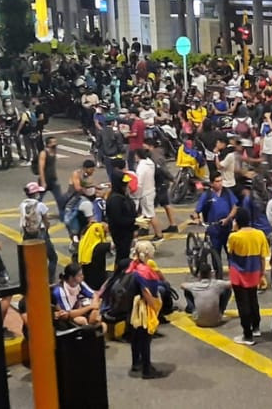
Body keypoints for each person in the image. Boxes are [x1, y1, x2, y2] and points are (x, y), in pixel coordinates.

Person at [227, 208, 269, 346]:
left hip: (238, 274)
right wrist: (262, 274)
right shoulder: (260, 234)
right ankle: (256, 327)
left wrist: (234, 230)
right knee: (253, 299)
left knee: (242, 303)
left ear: (237, 221)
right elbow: (263, 257)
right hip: (254, 271)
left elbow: (230, 251)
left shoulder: (234, 236)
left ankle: (247, 335)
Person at [127, 240, 166, 379]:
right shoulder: (145, 270)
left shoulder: (133, 265)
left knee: (136, 336)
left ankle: (136, 363)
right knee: (145, 338)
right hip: (143, 306)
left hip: (132, 306)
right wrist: (155, 306)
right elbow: (147, 292)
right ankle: (147, 369)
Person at [193, 173, 238, 268]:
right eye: (217, 181)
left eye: (221, 181)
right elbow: (197, 210)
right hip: (214, 230)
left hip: (227, 229)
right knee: (216, 254)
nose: (220, 183)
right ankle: (218, 273)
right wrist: (196, 218)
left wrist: (228, 218)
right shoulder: (207, 195)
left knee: (231, 253)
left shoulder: (227, 192)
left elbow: (234, 207)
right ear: (212, 183)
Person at [19, 182, 58, 284]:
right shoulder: (40, 205)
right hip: (40, 233)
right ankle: (49, 280)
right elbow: (46, 221)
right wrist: (47, 230)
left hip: (26, 234)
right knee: (53, 257)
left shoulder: (22, 205)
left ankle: (31, 279)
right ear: (36, 193)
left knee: (31, 258)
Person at [51, 263, 102, 328]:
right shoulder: (59, 291)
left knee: (98, 306)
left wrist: (94, 305)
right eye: (79, 275)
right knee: (82, 320)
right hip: (66, 318)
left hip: (77, 308)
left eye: (82, 274)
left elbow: (94, 294)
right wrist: (91, 307)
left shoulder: (79, 283)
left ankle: (95, 328)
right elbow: (69, 314)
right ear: (71, 277)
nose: (82, 276)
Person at [181, 263, 232, 328]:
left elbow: (182, 285)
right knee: (227, 290)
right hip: (216, 320)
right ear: (210, 273)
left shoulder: (194, 286)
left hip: (199, 321)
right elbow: (230, 284)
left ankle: (191, 309)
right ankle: (219, 311)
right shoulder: (217, 284)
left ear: (199, 274)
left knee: (187, 291)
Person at [106, 173, 138, 262]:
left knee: (125, 254)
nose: (126, 185)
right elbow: (118, 220)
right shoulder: (115, 200)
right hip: (120, 234)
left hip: (127, 232)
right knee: (122, 256)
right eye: (124, 184)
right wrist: (134, 221)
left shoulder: (123, 195)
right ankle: (119, 274)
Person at [135, 148, 163, 242]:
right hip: (151, 190)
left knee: (150, 214)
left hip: (145, 192)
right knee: (147, 214)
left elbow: (139, 182)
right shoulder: (150, 163)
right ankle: (144, 230)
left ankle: (159, 234)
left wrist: (135, 193)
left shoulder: (142, 167)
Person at [38, 136, 65, 215]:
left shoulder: (54, 151)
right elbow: (41, 168)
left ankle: (63, 216)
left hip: (53, 180)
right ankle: (35, 215)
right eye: (53, 142)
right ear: (48, 144)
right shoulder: (43, 153)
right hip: (45, 180)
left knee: (60, 199)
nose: (55, 144)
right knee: (38, 200)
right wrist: (43, 182)